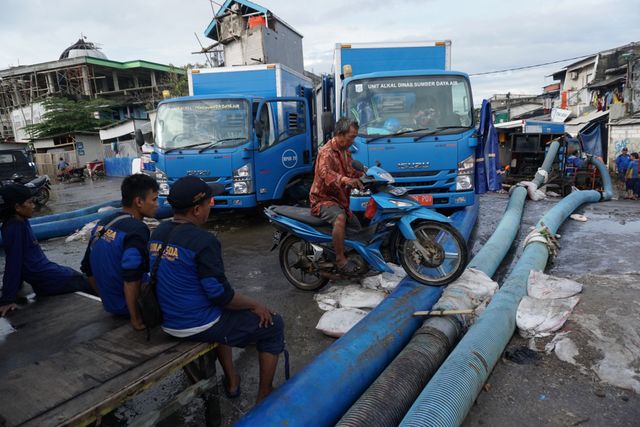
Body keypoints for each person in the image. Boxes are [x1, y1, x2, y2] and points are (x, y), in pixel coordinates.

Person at [151, 176, 284, 403]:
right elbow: (220, 295)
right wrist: (256, 305)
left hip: (167, 320)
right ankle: (265, 395)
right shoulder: (204, 241)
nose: (209, 208)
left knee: (230, 310)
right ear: (196, 209)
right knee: (273, 324)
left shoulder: (159, 232)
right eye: (209, 203)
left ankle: (232, 382)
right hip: (194, 325)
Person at [80, 174, 159, 330]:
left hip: (111, 305)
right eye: (154, 199)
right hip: (127, 308)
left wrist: (107, 299)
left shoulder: (104, 222)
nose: (157, 205)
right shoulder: (137, 229)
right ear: (139, 201)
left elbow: (86, 266)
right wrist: (135, 319)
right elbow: (131, 277)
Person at [0, 184, 91, 316]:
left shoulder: (20, 221)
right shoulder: (15, 228)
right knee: (92, 282)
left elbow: (19, 258)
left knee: (77, 276)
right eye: (30, 202)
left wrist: (17, 288)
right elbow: (14, 262)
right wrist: (7, 299)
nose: (34, 206)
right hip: (48, 280)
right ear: (17, 207)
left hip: (48, 275)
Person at [309, 117, 364, 273]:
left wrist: (366, 175)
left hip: (340, 200)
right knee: (340, 218)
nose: (353, 141)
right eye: (351, 137)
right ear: (340, 134)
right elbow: (325, 174)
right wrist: (345, 179)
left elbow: (352, 170)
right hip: (323, 200)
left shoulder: (345, 152)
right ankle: (340, 260)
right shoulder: (326, 153)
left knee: (356, 227)